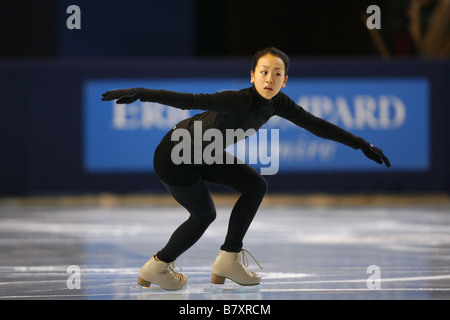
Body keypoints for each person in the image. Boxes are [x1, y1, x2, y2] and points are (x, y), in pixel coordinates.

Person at [101, 47, 391, 290]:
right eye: (263, 71)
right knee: (204, 215)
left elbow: (315, 124)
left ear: (284, 81)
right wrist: (141, 92)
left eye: (277, 73)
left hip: (203, 152)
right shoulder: (239, 100)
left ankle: (228, 258)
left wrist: (361, 144)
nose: (269, 78)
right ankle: (157, 266)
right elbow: (189, 100)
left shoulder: (279, 103)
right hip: (174, 155)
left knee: (256, 185)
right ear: (252, 76)